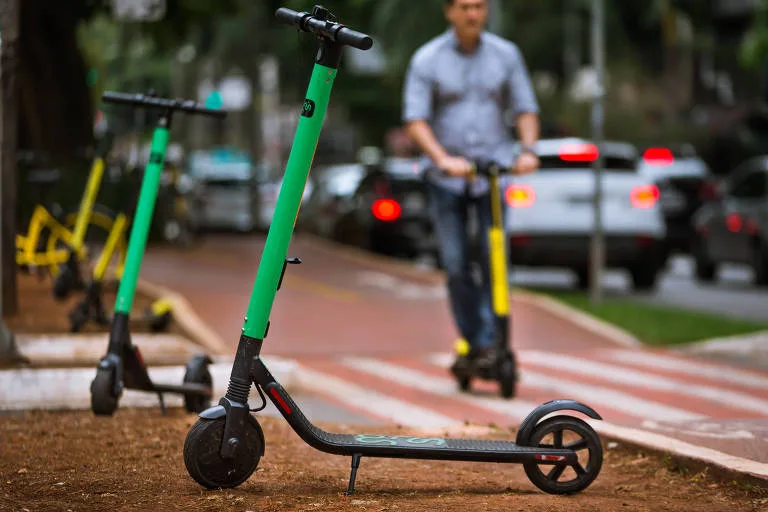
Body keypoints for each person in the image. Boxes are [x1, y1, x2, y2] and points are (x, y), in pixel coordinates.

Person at [402, 0, 541, 371]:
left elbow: (525, 108)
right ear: (449, 11)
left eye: (479, 6)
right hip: (447, 180)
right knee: (457, 261)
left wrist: (527, 150)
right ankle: (477, 341)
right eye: (464, 6)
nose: (472, 14)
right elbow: (416, 119)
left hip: (492, 178)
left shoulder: (505, 55)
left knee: (495, 258)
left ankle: (496, 341)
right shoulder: (427, 59)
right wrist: (443, 158)